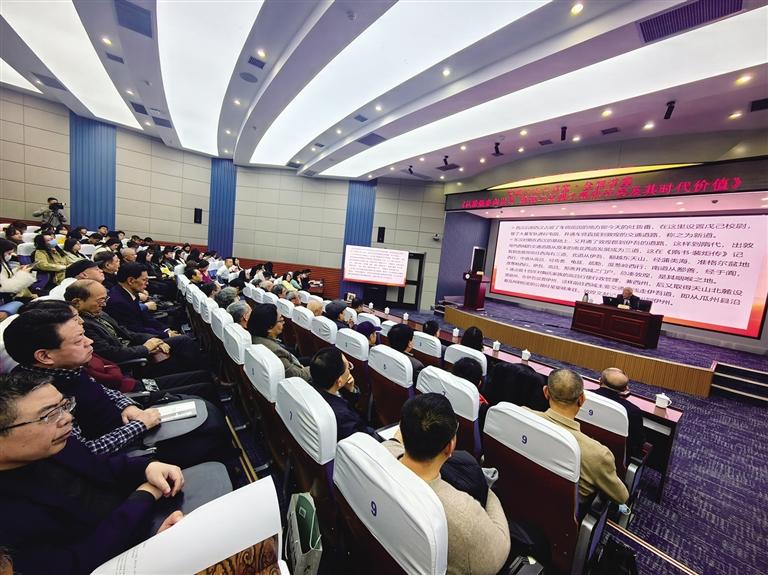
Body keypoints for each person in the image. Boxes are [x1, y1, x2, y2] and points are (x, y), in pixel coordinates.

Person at [0, 371, 225, 575]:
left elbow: (99, 465)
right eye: (49, 415)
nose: (67, 418)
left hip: (134, 513)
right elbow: (76, 563)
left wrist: (146, 467)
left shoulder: (53, 444)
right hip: (121, 554)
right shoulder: (8, 517)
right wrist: (144, 496)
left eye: (64, 406)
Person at [382, 394, 511, 575]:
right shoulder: (463, 515)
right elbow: (498, 553)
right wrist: (488, 491)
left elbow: (394, 444)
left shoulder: (381, 453)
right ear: (450, 447)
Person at [66, 280, 207, 377]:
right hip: (131, 362)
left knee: (183, 341)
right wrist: (145, 348)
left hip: (136, 348)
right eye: (100, 301)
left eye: (105, 299)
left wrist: (154, 340)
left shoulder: (99, 313)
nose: (104, 305)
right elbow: (111, 354)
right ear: (77, 302)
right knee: (186, 362)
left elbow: (127, 332)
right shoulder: (81, 325)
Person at [534, 369, 629, 505]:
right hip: (562, 512)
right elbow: (621, 497)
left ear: (546, 392)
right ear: (582, 399)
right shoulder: (599, 455)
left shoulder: (520, 417)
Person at [310, 347, 378, 441]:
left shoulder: (316, 384)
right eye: (348, 367)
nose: (350, 369)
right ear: (339, 381)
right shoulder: (343, 416)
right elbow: (364, 440)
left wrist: (351, 390)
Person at [248, 303, 311, 380]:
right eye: (281, 320)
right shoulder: (276, 351)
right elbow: (298, 375)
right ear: (269, 328)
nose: (283, 323)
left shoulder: (253, 337)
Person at [593, 368, 645, 461]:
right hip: (612, 460)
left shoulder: (583, 395)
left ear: (600, 381)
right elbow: (638, 441)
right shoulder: (633, 411)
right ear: (625, 389)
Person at [0, 238, 35, 318]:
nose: (11, 255)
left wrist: (18, 270)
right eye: (9, 253)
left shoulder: (2, 262)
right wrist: (23, 273)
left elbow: (6, 276)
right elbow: (8, 287)